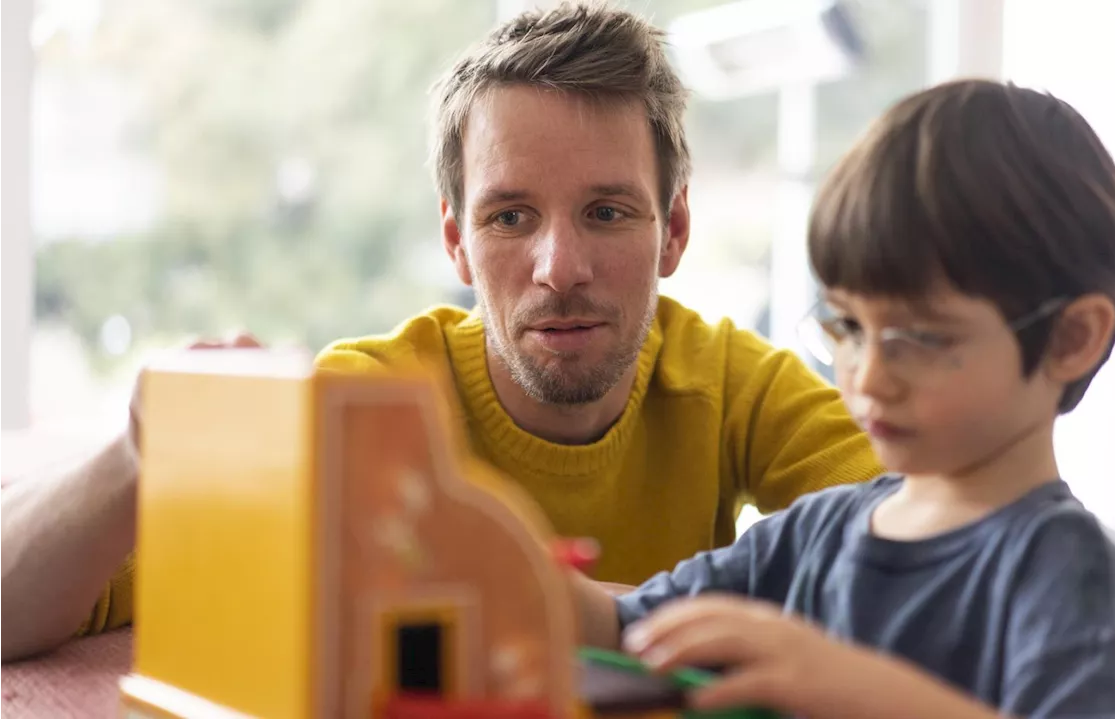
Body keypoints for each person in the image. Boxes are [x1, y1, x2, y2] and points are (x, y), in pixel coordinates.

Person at [0, 2, 882, 662]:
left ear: (675, 231)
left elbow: (949, 551)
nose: (558, 266)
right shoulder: (359, 406)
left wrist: (567, 603)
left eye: (607, 212)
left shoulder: (735, 384)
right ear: (456, 239)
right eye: (509, 217)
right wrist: (134, 452)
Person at [571, 79, 1115, 719]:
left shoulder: (1066, 575)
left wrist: (848, 685)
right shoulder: (814, 534)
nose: (869, 377)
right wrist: (501, 558)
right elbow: (620, 624)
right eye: (849, 327)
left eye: (921, 337)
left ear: (1071, 338)